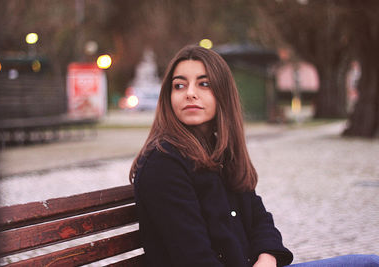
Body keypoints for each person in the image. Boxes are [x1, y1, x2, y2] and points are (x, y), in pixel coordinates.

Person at [129, 45, 379, 267]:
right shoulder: (164, 162)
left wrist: (268, 257)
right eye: (179, 85)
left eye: (204, 84)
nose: (190, 93)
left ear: (223, 94)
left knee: (369, 262)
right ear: (168, 96)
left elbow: (261, 219)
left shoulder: (220, 152)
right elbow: (192, 256)